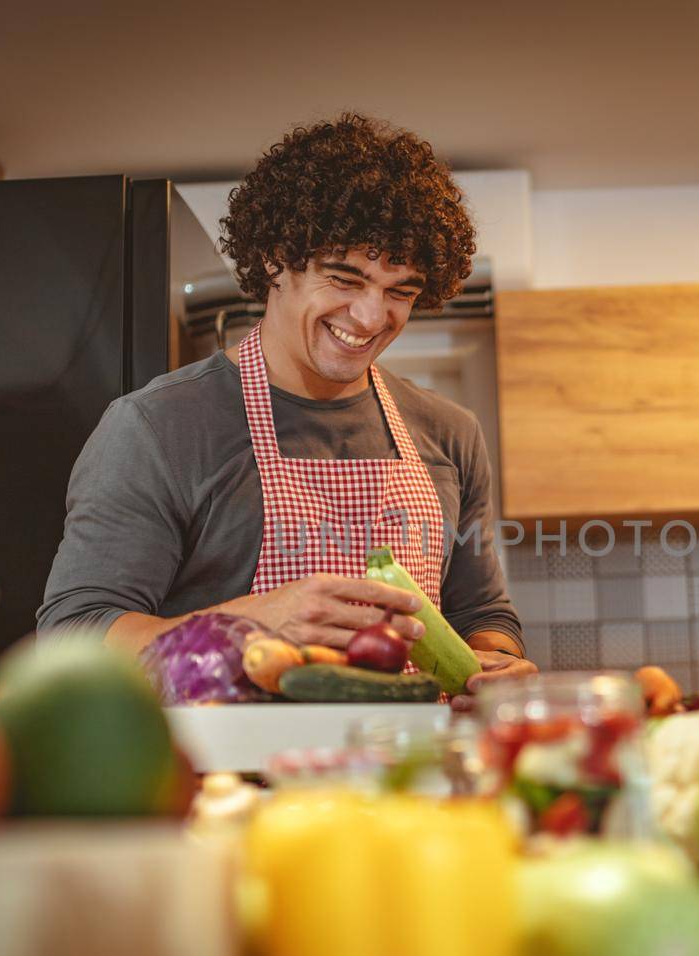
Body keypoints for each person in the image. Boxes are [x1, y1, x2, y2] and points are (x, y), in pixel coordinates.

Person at [38, 114, 536, 703]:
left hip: (410, 779)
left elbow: (483, 613)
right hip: (232, 785)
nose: (372, 318)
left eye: (400, 291)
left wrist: (498, 664)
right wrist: (246, 625)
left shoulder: (451, 434)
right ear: (276, 258)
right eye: (344, 278)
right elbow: (72, 637)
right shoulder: (156, 428)